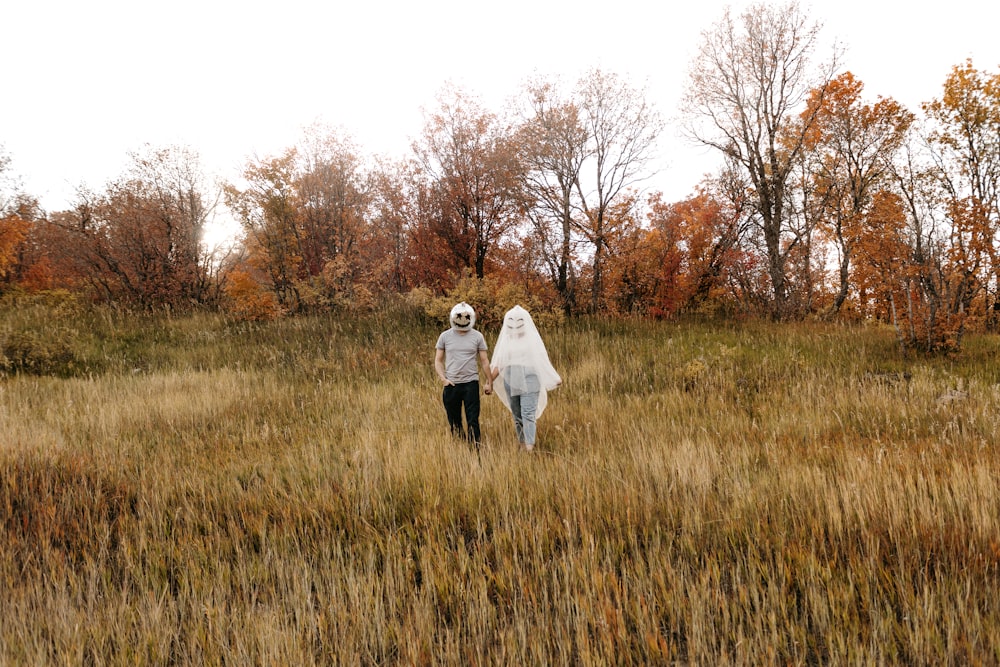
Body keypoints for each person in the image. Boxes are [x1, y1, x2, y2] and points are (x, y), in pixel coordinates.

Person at [490, 305, 561, 452]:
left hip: (530, 378)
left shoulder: (532, 338)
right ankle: (522, 444)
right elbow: (500, 362)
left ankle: (529, 447)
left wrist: (553, 377)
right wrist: (488, 382)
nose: (515, 323)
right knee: (516, 414)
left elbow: (541, 359)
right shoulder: (507, 339)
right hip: (511, 377)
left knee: (528, 413)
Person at [434, 301, 492, 448]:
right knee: (454, 421)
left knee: (473, 419)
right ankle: (460, 449)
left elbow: (485, 361)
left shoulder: (477, 336)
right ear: (454, 317)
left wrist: (489, 382)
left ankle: (475, 449)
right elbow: (438, 361)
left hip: (471, 384)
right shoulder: (445, 336)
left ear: (470, 318)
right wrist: (443, 379)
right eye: (460, 316)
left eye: (466, 317)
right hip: (452, 385)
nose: (463, 319)